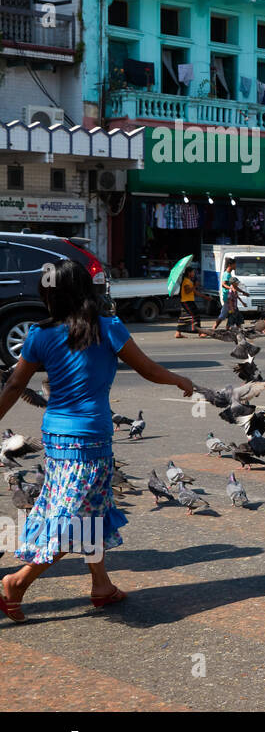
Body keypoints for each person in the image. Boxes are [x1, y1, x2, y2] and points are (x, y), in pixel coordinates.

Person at [0, 260, 194, 622]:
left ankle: (101, 585)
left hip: (58, 438)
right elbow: (148, 369)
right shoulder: (107, 328)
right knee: (73, 517)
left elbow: (13, 386)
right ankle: (18, 582)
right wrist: (180, 380)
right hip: (88, 440)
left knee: (91, 510)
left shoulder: (39, 334)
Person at [175, 263, 201, 338]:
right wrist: (195, 286)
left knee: (183, 317)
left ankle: (178, 333)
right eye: (193, 272)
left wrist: (205, 297)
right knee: (195, 315)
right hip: (187, 301)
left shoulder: (189, 281)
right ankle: (199, 332)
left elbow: (194, 292)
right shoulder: (186, 281)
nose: (194, 273)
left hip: (188, 301)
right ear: (189, 273)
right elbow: (187, 291)